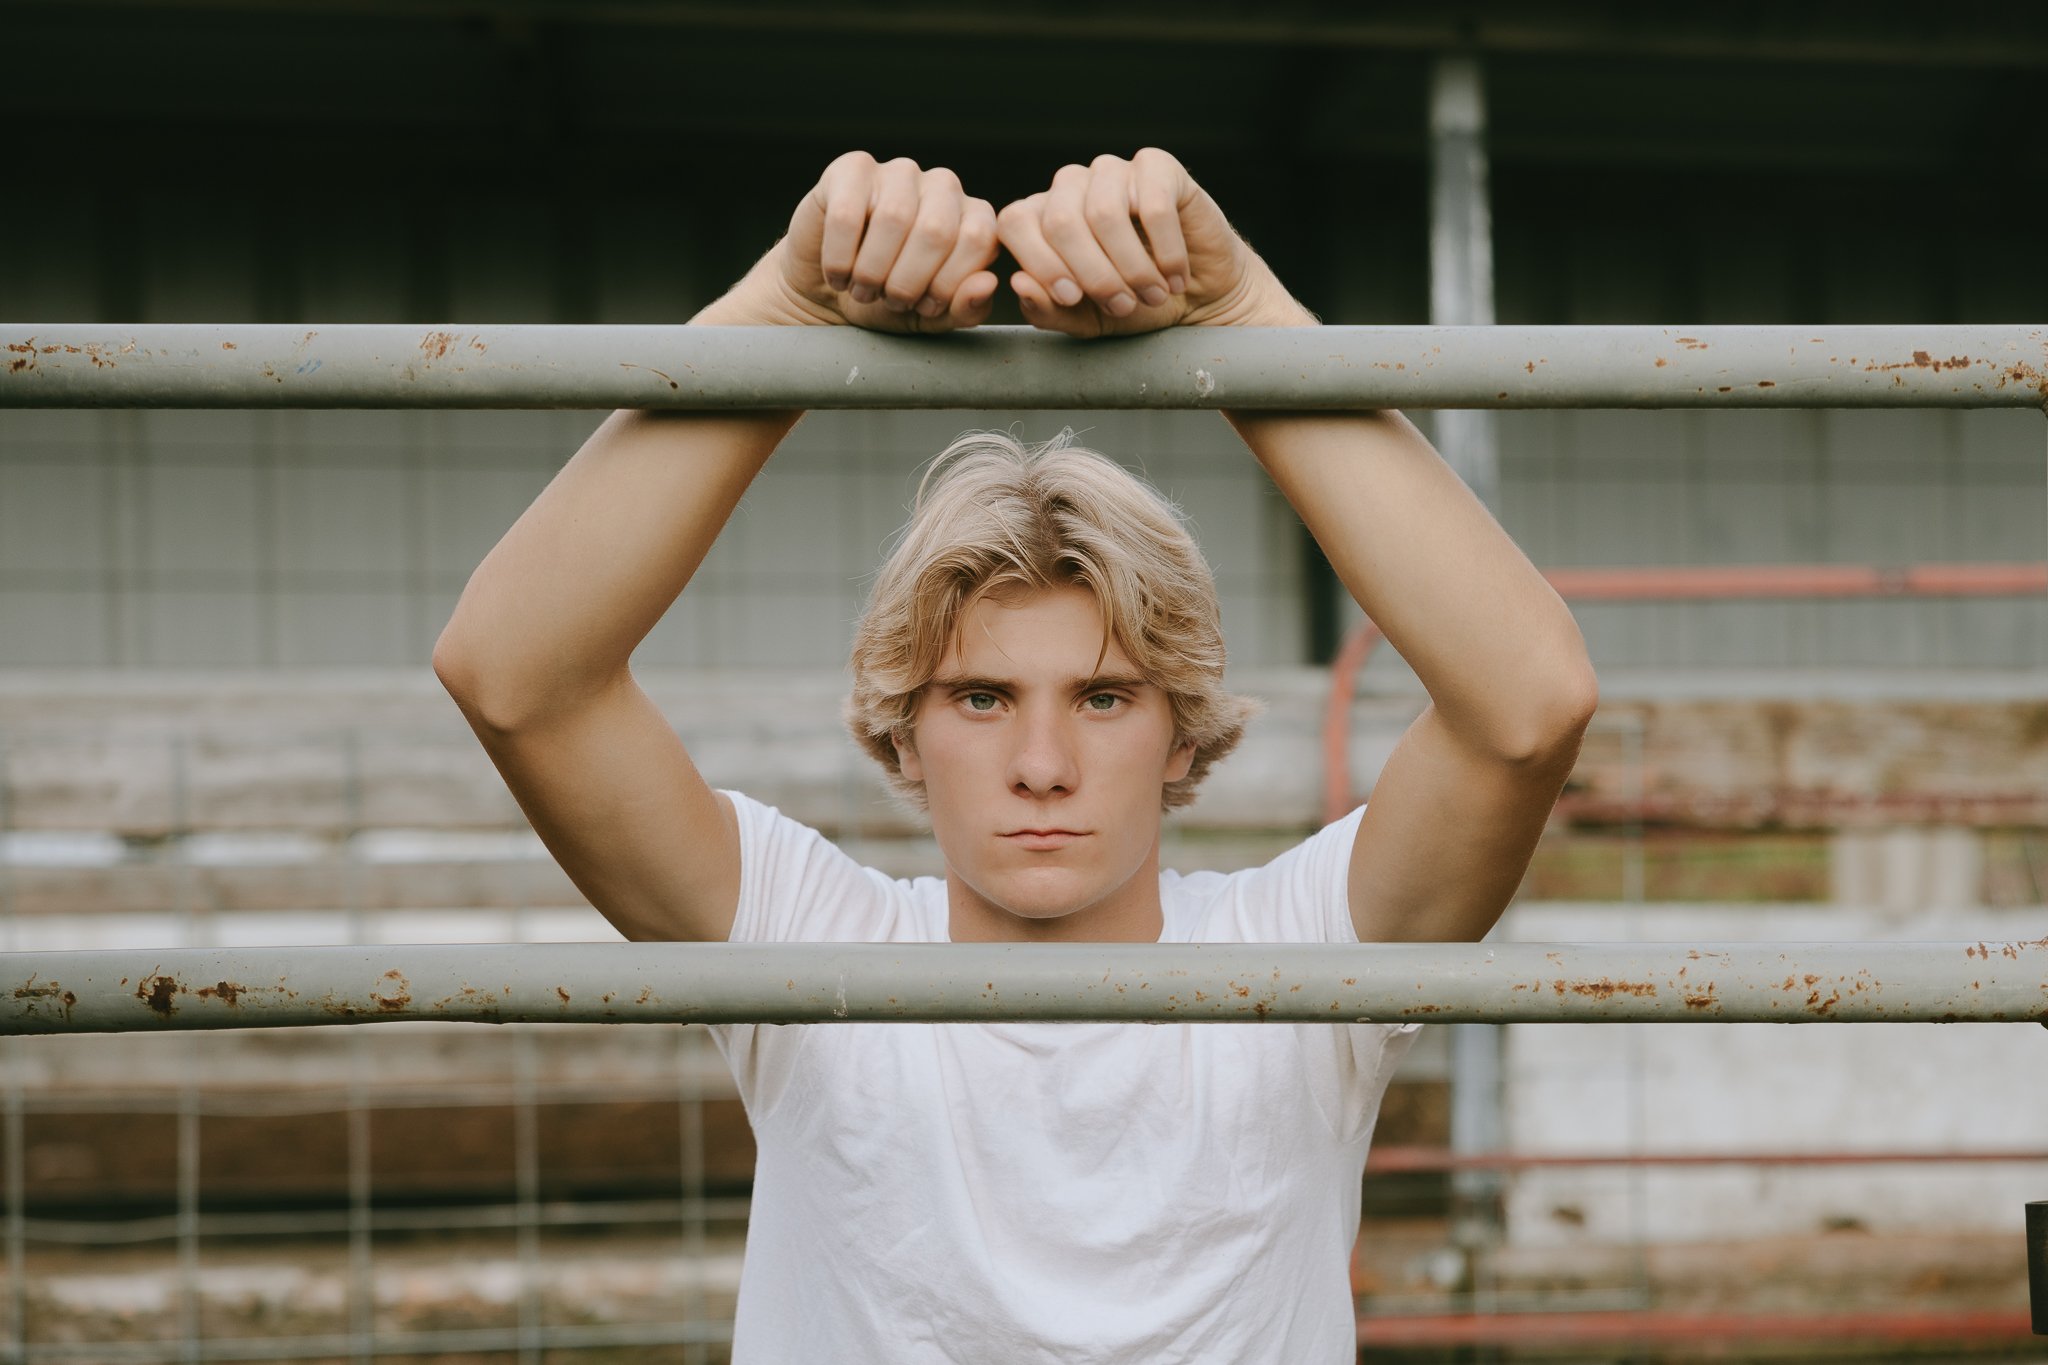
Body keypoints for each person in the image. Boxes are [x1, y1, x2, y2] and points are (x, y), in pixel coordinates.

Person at [433, 149, 1597, 1363]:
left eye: (1102, 698)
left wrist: (1239, 316)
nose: (1041, 763)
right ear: (903, 729)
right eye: (981, 697)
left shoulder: (1293, 962)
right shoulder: (811, 946)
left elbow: (1526, 706)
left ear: (1179, 731)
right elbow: (518, 678)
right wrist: (787, 310)